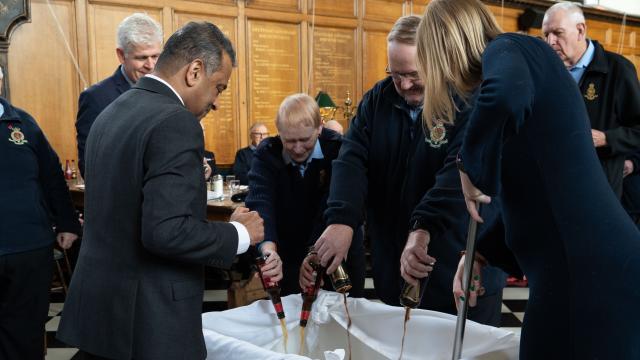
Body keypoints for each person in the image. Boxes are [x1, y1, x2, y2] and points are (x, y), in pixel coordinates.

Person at [413, 0, 640, 358]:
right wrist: (482, 254)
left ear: (445, 48)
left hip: (590, 278)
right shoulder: (522, 64)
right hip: (581, 273)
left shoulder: (512, 47)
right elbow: (537, 191)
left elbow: (504, 97)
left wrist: (468, 166)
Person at [57, 22, 264, 359]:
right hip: (148, 321)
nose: (216, 103)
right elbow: (165, 231)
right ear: (195, 71)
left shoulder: (111, 111)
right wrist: (239, 233)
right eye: (219, 88)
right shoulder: (176, 122)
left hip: (101, 313)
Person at [310, 15, 505, 324]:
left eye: (413, 74)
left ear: (438, 60)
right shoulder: (379, 98)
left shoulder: (472, 99)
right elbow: (352, 159)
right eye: (395, 73)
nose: (402, 85)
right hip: (395, 263)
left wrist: (422, 227)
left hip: (456, 262)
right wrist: (342, 220)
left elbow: (455, 176)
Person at [246, 94, 365, 296]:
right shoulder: (267, 152)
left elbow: (334, 203)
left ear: (320, 127)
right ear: (279, 132)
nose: (298, 148)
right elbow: (261, 202)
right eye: (289, 141)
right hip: (288, 255)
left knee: (343, 318)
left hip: (336, 252)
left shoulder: (339, 148)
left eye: (305, 139)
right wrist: (268, 251)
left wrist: (313, 253)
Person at [0, 63, 81, 359]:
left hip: (30, 249)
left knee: (26, 333)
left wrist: (67, 223)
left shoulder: (23, 123)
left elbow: (52, 177)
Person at [542, 2, 640, 200]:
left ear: (580, 30)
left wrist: (606, 139)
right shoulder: (546, 70)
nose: (551, 41)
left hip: (598, 193)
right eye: (546, 34)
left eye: (558, 33)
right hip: (553, 186)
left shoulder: (619, 70)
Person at [75, 13, 163, 177]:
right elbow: (90, 165)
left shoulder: (168, 94)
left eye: (156, 56)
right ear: (121, 55)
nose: (151, 65)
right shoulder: (96, 98)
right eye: (142, 57)